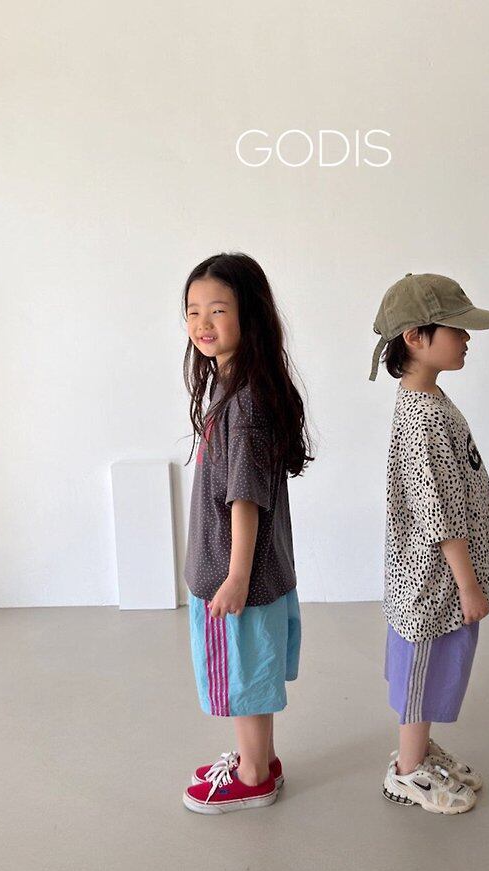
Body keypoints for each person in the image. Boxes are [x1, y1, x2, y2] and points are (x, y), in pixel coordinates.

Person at [369, 272, 489, 815]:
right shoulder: (421, 416)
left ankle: (420, 753)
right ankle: (407, 773)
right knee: (422, 671)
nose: (467, 338)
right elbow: (438, 513)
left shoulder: (428, 398)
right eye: (457, 328)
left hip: (437, 575)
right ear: (415, 337)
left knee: (435, 664)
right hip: (433, 579)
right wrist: (468, 584)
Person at [180, 252, 313, 814]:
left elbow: (245, 498)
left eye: (217, 310)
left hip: (239, 574)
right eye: (192, 311)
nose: (201, 323)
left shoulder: (246, 400)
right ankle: (261, 759)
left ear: (249, 315)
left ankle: (254, 776)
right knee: (251, 669)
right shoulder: (235, 385)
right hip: (250, 571)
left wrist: (235, 576)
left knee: (243, 676)